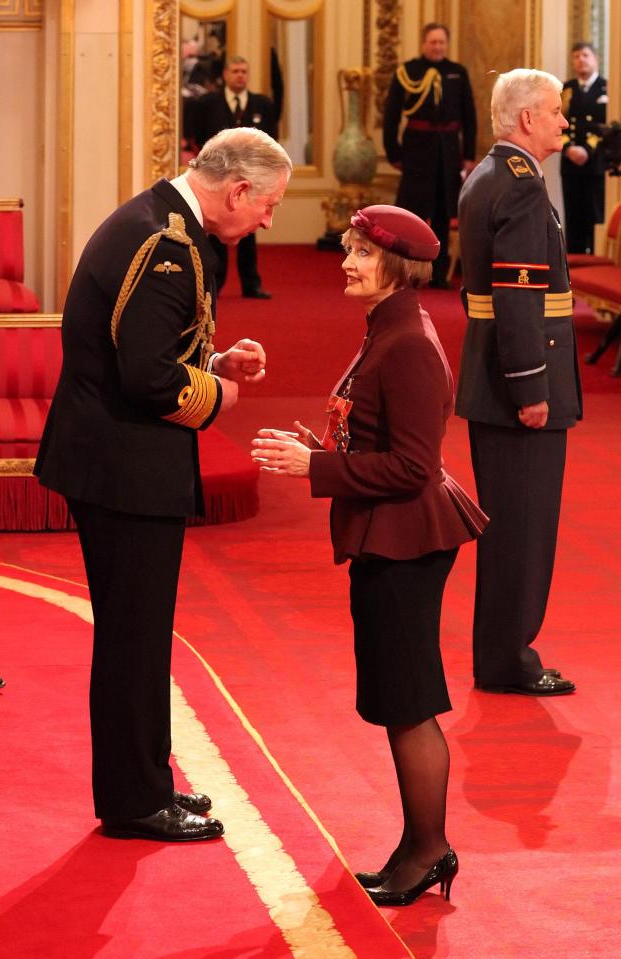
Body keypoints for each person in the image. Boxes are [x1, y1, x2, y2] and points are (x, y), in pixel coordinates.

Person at [35, 127, 292, 841]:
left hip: (119, 457)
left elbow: (152, 340)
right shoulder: (169, 246)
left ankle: (147, 779)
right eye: (268, 204)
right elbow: (147, 377)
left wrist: (216, 355)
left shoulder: (164, 221)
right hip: (123, 464)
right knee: (132, 638)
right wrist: (221, 396)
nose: (268, 219)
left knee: (140, 636)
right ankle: (134, 800)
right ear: (237, 189)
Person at [251, 205, 487, 906]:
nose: (346, 262)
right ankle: (416, 844)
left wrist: (314, 470)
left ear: (398, 265)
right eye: (348, 249)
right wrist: (326, 453)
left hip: (408, 540)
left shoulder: (408, 340)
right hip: (390, 534)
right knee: (396, 698)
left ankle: (430, 850)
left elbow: (414, 467)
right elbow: (382, 440)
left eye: (359, 252)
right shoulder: (388, 324)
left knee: (410, 702)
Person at [456, 69, 582, 696]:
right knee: (522, 531)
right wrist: (532, 388)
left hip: (493, 375)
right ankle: (508, 661)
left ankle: (502, 654)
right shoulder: (521, 188)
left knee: (510, 526)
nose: (564, 121)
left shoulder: (487, 176)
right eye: (557, 111)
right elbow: (516, 298)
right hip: (521, 387)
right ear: (527, 118)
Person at [382, 22, 477, 289]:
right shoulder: (408, 72)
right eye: (432, 42)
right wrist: (393, 151)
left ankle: (438, 271)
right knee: (412, 214)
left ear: (447, 45)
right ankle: (408, 270)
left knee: (443, 214)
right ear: (424, 44)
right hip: (416, 151)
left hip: (448, 152)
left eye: (441, 42)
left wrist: (468, 155)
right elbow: (391, 115)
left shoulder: (458, 73)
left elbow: (469, 117)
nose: (437, 47)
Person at [194, 55, 278, 299]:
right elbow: (199, 138)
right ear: (225, 75)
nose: (240, 75)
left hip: (251, 181)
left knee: (249, 232)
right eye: (235, 71)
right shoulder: (208, 103)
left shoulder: (262, 104)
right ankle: (215, 283)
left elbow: (270, 141)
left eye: (244, 71)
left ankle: (251, 284)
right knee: (217, 233)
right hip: (218, 180)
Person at [561, 42, 607, 254]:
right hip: (570, 163)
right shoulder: (565, 89)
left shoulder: (606, 88)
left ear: (595, 59)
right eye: (576, 56)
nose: (581, 59)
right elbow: (557, 122)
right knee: (573, 216)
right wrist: (568, 148)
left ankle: (594, 261)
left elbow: (606, 126)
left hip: (595, 164)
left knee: (594, 216)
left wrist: (586, 150)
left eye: (585, 55)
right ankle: (574, 267)